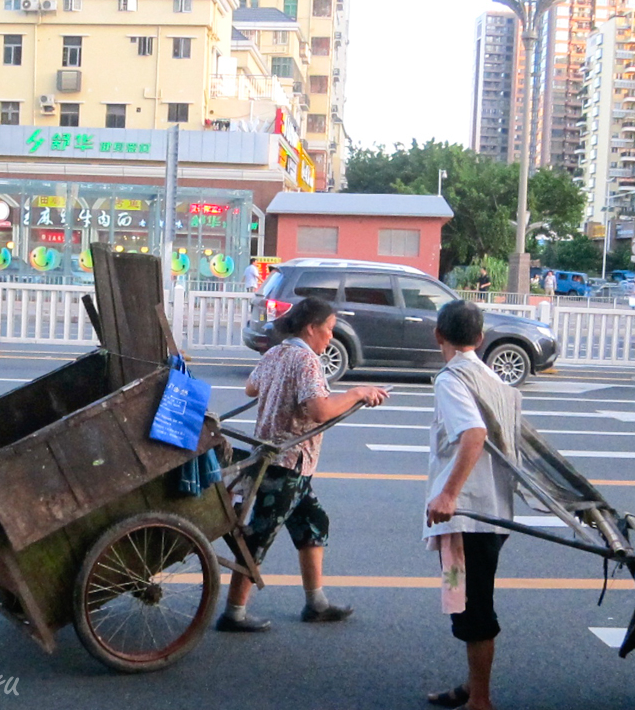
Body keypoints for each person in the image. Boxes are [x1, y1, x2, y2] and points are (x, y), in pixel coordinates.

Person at [216, 297, 389, 633]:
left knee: (314, 523)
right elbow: (319, 411)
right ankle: (233, 613)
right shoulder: (306, 360)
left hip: (279, 460)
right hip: (285, 464)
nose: (330, 337)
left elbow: (252, 387)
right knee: (258, 538)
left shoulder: (277, 351)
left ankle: (316, 603)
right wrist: (356, 393)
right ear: (312, 329)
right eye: (328, 331)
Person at [424, 300, 519, 710]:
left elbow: (474, 433)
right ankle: (471, 686)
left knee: (473, 608)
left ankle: (480, 699)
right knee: (464, 601)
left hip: (467, 518)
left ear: (438, 335)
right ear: (480, 339)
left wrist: (449, 495)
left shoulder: (452, 379)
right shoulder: (491, 378)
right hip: (493, 511)